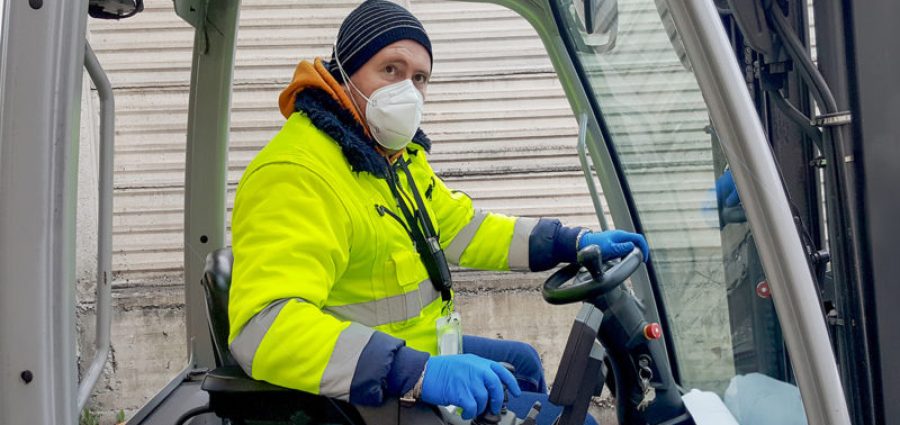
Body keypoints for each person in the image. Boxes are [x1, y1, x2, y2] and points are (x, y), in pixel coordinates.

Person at [227, 1, 650, 423]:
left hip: (418, 348)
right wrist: (417, 372)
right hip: (369, 394)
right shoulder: (297, 174)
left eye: (419, 78)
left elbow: (462, 228)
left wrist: (568, 242)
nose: (407, 91)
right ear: (346, 73)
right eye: (391, 69)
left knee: (522, 363)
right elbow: (265, 329)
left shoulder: (394, 159)